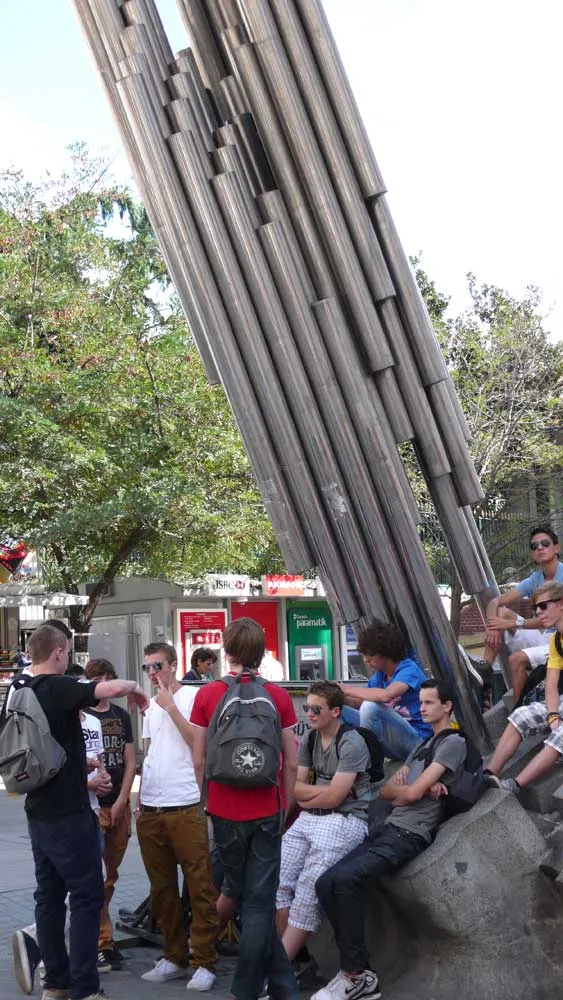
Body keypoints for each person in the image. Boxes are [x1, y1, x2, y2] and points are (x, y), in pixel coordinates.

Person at [9, 622, 148, 1000]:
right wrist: (136, 689)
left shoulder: (18, 689)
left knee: (49, 896)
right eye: (68, 653)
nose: (67, 658)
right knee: (87, 896)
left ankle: (56, 982)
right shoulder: (56, 686)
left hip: (39, 809)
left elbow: (42, 747)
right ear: (58, 653)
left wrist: (76, 765)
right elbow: (108, 688)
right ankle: (86, 987)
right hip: (70, 813)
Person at [312, 679, 467, 1000]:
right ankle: (357, 972)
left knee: (346, 880)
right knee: (325, 883)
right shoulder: (423, 745)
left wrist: (410, 790)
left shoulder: (452, 743)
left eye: (429, 703)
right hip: (388, 827)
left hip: (409, 834)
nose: (421, 708)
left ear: (447, 706)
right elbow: (384, 791)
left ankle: (356, 976)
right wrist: (413, 790)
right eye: (420, 702)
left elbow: (406, 793)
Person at [191, 617, 299, 1000]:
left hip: (223, 810)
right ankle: (266, 988)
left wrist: (207, 801)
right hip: (267, 809)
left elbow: (200, 759)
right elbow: (291, 762)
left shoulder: (208, 694)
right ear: (261, 653)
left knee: (241, 894)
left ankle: (256, 989)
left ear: (227, 651)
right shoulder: (278, 697)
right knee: (259, 903)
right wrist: (284, 806)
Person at [137, 642, 218, 989]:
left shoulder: (192, 697)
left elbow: (198, 744)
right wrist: (140, 797)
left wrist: (170, 707)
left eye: (158, 666)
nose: (153, 673)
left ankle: (205, 959)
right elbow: (150, 752)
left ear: (173, 664)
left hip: (185, 802)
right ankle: (174, 955)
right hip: (152, 804)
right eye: (147, 668)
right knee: (162, 887)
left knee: (199, 885)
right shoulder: (150, 706)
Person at [276, 681, 369, 962]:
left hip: (344, 820)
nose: (309, 713)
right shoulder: (311, 738)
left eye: (316, 709)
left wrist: (314, 796)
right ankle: (294, 959)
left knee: (307, 891)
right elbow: (296, 788)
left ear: (336, 711)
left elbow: (335, 799)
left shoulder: (352, 742)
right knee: (276, 883)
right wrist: (322, 794)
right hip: (310, 817)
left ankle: (280, 969)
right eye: (307, 707)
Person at [485, 582, 563, 793]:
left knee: (560, 735)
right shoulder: (556, 640)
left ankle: (514, 785)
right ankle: (489, 774)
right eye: (536, 607)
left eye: (544, 606)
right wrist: (553, 715)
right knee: (521, 715)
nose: (538, 612)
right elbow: (551, 684)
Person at [84, 658, 136, 974]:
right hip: (94, 805)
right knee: (98, 876)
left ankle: (102, 938)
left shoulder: (120, 715)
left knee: (111, 876)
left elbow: (130, 761)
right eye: (97, 678)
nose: (104, 683)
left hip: (119, 804)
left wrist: (123, 800)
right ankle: (102, 942)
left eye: (107, 678)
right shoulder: (82, 716)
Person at [485, 526, 563, 703]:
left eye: (545, 543)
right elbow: (495, 602)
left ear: (556, 548)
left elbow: (553, 619)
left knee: (516, 659)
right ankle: (485, 672)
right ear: (532, 554)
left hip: (559, 639)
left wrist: (516, 624)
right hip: (544, 637)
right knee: (502, 613)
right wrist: (492, 628)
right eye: (535, 546)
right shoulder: (535, 578)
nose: (540, 548)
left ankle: (519, 708)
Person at [341, 623, 431, 760]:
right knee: (337, 709)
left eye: (370, 655)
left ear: (385, 653)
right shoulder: (380, 676)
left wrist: (347, 689)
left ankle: (366, 760)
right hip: (392, 742)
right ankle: (344, 756)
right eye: (364, 655)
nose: (365, 660)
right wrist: (339, 697)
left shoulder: (409, 670)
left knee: (370, 707)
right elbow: (361, 704)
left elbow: (387, 695)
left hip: (416, 741)